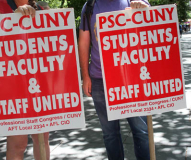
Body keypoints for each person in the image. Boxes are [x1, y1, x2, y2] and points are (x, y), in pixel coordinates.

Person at [0, 0, 50, 159]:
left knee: (42, 139)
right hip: (12, 89)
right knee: (18, 143)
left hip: (37, 84)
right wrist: (13, 20)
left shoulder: (40, 7)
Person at [78, 0, 150, 160]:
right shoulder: (89, 6)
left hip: (131, 79)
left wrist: (147, 11)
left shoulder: (135, 1)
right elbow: (83, 42)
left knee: (141, 131)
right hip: (100, 80)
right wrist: (85, 76)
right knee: (110, 134)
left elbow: (153, 31)